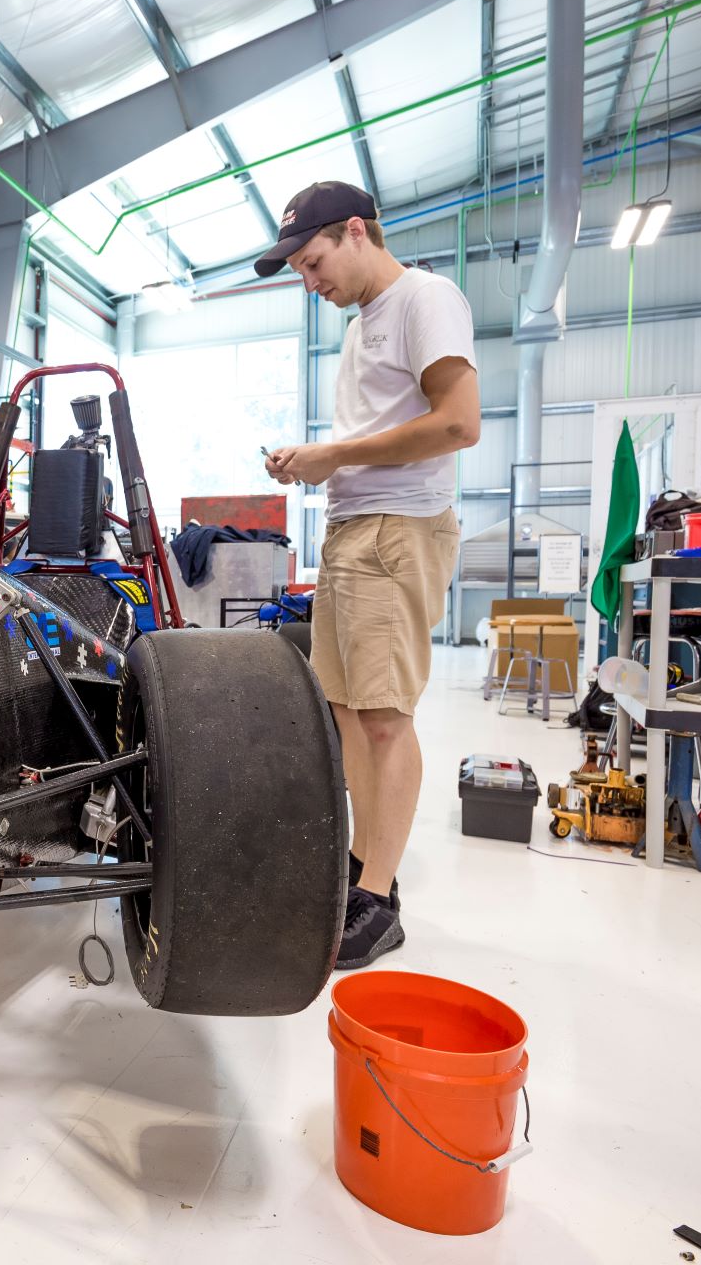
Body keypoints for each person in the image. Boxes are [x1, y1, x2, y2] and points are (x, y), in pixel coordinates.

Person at [258, 181, 479, 971]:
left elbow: (459, 422)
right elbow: (384, 428)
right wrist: (316, 460)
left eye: (314, 264)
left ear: (357, 231)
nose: (310, 283)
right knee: (348, 710)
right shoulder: (363, 327)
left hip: (398, 531)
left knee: (385, 717)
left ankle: (379, 903)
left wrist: (332, 455)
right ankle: (359, 871)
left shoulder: (425, 298)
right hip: (355, 532)